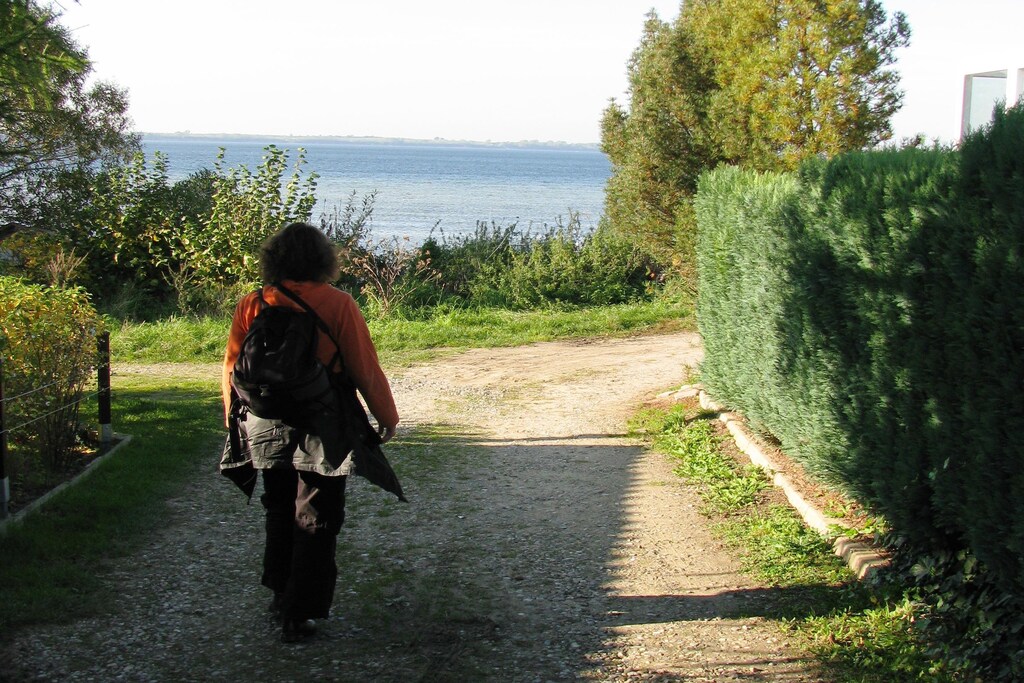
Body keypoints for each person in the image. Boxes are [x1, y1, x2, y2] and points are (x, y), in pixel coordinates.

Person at [221, 221, 399, 643]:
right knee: (317, 513)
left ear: (274, 260)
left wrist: (232, 418)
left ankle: (280, 594)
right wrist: (386, 416)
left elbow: (232, 366)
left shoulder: (253, 302)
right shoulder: (338, 304)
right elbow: (363, 367)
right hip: (323, 422)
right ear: (323, 260)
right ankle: (299, 612)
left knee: (279, 506)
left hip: (265, 420)